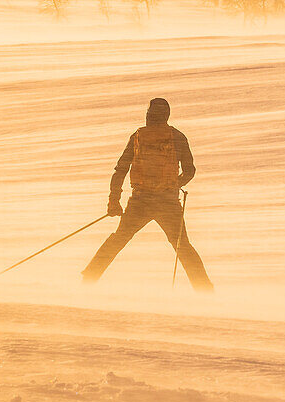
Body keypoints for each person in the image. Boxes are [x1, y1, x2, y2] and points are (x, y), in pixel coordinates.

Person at [82, 98, 213, 290]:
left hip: (140, 200)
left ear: (148, 115)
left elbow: (120, 170)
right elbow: (190, 170)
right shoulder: (177, 136)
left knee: (118, 239)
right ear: (167, 115)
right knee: (183, 247)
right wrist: (174, 184)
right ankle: (205, 290)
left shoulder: (137, 136)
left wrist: (114, 201)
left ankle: (88, 280)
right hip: (167, 202)